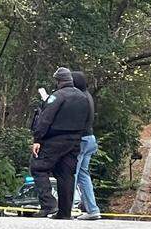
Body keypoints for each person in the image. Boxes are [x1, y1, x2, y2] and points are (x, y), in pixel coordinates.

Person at [30, 67, 91, 220]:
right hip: (75, 141)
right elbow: (88, 119)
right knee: (66, 175)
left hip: (55, 139)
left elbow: (45, 119)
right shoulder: (83, 97)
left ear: (58, 81)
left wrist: (37, 139)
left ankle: (48, 204)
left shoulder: (57, 96)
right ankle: (64, 212)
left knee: (38, 167)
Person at [71, 71, 101, 220]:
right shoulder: (88, 96)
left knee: (72, 173)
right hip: (90, 138)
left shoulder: (79, 97)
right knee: (83, 175)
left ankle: (68, 207)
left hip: (81, 139)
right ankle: (93, 209)